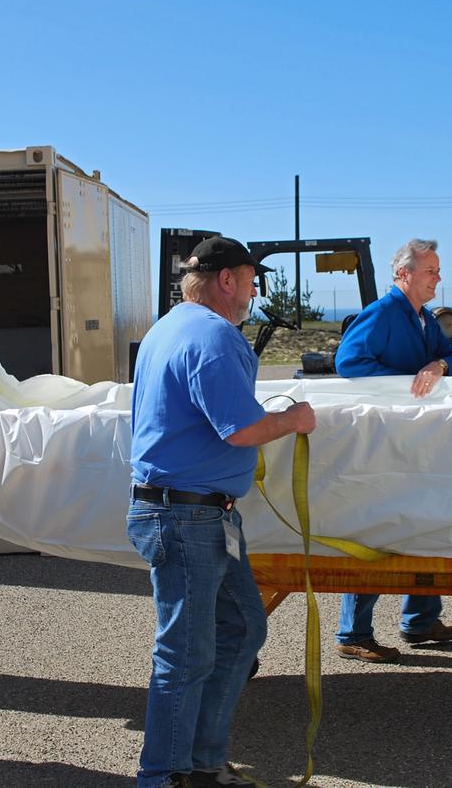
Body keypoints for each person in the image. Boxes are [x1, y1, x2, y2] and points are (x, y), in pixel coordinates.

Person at [128, 236, 316, 788]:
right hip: (188, 519)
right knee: (185, 654)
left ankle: (202, 764)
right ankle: (164, 776)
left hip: (193, 515)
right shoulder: (214, 336)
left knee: (240, 627)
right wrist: (295, 419)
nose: (255, 292)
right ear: (227, 280)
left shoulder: (166, 329)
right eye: (252, 280)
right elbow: (243, 429)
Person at [332, 238, 452, 663]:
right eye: (430, 271)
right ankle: (353, 633)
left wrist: (438, 366)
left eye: (438, 270)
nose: (438, 278)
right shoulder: (383, 314)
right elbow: (348, 363)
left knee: (422, 522)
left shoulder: (424, 318)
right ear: (403, 274)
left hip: (415, 442)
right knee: (379, 528)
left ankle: (421, 620)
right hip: (382, 443)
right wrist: (406, 382)